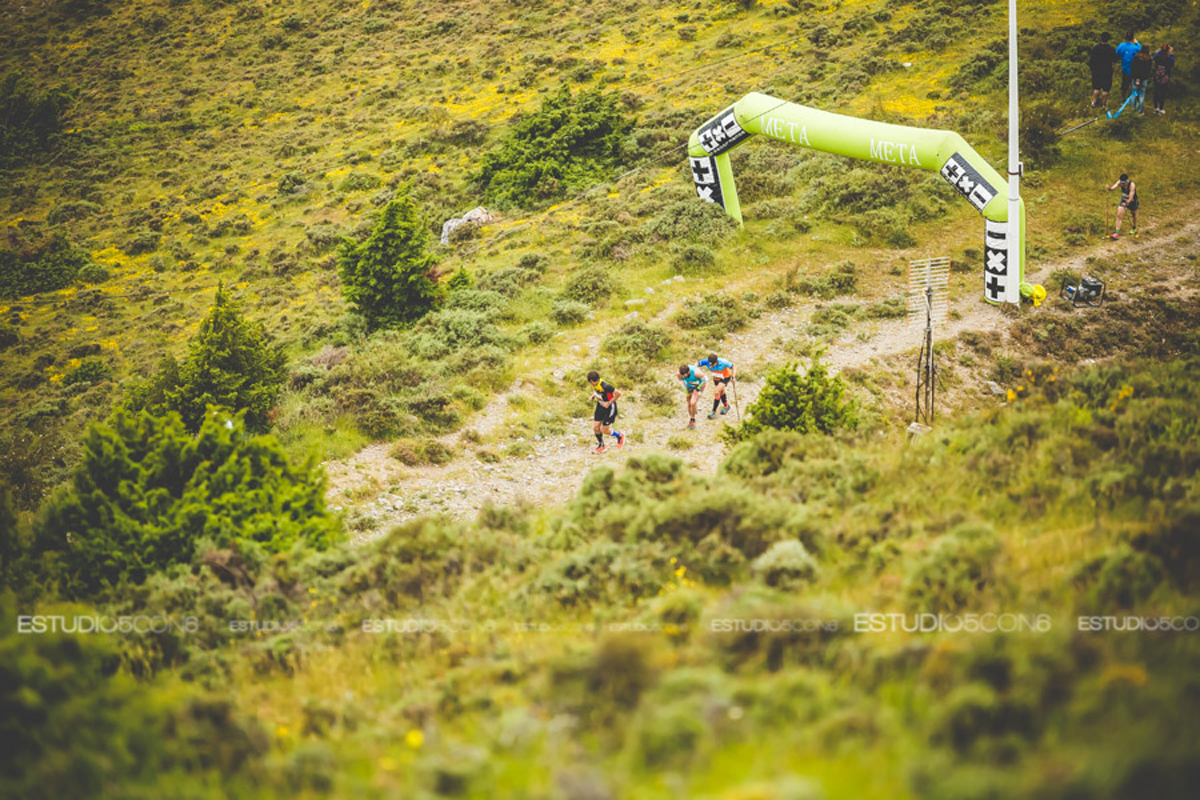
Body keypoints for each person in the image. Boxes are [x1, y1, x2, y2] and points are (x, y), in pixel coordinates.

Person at [586, 371, 623, 453]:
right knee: (595, 427)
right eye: (591, 383)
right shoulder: (596, 384)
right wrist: (593, 396)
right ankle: (601, 445)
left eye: (592, 382)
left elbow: (619, 393)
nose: (591, 384)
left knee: (604, 430)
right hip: (600, 406)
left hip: (609, 407)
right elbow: (597, 390)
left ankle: (619, 436)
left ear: (597, 380)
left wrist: (608, 403)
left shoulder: (605, 386)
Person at [697, 352, 735, 419]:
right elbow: (697, 363)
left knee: (716, 392)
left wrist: (733, 377)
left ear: (716, 362)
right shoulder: (706, 361)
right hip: (716, 377)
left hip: (725, 377)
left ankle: (713, 412)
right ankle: (726, 406)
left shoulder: (723, 362)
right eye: (709, 365)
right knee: (721, 392)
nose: (711, 366)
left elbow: (733, 366)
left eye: (712, 365)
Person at [1089, 32, 1118, 108]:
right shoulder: (1111, 49)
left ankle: (1094, 102)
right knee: (1106, 89)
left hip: (1097, 71)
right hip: (1107, 71)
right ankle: (1104, 104)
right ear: (1108, 39)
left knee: (1096, 87)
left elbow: (1091, 60)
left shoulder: (1096, 48)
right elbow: (1115, 60)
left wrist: (1092, 69)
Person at [1107, 174, 1138, 239]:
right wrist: (1109, 188)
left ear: (1127, 181)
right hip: (1123, 200)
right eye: (1121, 183)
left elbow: (1131, 196)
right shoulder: (1120, 182)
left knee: (1134, 215)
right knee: (1119, 215)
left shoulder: (1132, 185)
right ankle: (1117, 232)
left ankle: (1134, 228)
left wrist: (1127, 203)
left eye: (1124, 183)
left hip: (1132, 201)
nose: (1122, 184)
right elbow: (1113, 188)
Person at [677, 363, 706, 430]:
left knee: (693, 402)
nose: (684, 377)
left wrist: (698, 389)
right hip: (689, 385)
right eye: (683, 376)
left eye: (685, 376)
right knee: (689, 402)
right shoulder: (679, 374)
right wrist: (686, 392)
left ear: (689, 372)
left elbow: (705, 380)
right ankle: (692, 415)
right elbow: (682, 383)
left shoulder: (696, 373)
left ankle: (692, 419)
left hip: (699, 385)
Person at [1115, 32, 1141, 98]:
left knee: (1124, 84)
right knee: (1134, 83)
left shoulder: (1121, 46)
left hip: (1125, 67)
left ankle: (1123, 98)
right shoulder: (1135, 47)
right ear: (1132, 38)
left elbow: (1116, 54)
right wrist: (1137, 42)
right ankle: (1134, 97)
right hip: (1133, 67)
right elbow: (1141, 50)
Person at [1130, 45, 1153, 114]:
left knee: (1134, 93)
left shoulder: (1136, 57)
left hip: (1135, 78)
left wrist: (1136, 78)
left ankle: (1132, 108)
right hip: (1144, 79)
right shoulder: (1149, 59)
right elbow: (1147, 70)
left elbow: (1133, 68)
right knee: (1142, 95)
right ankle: (1140, 110)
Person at [1152, 44, 1174, 115]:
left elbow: (1154, 57)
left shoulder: (1158, 57)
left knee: (1156, 92)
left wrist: (1159, 51)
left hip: (1157, 76)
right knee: (1162, 93)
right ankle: (1161, 108)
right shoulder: (1168, 59)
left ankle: (1155, 108)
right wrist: (1170, 54)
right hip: (1165, 77)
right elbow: (1172, 64)